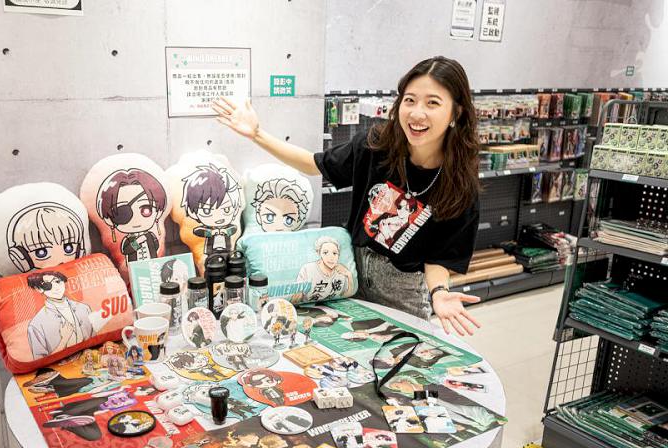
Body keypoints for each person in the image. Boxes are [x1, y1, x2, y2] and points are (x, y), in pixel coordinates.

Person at [214, 56, 481, 335]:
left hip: (403, 293)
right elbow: (313, 164)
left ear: (456, 112)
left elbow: (439, 257)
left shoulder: (460, 184)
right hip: (348, 275)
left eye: (433, 103)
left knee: (400, 354)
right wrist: (257, 134)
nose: (417, 113)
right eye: (410, 100)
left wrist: (439, 293)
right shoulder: (376, 146)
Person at [96, 168, 167, 263]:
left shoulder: (150, 236)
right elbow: (126, 251)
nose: (135, 219)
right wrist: (137, 243)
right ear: (109, 220)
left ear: (158, 212)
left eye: (146, 210)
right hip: (134, 268)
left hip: (152, 266)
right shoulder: (128, 240)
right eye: (122, 214)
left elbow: (156, 246)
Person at [26, 271, 94, 358]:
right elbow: (40, 360)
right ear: (39, 289)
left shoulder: (84, 309)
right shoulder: (36, 325)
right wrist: (63, 340)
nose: (56, 287)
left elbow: (94, 339)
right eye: (47, 285)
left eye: (57, 281)